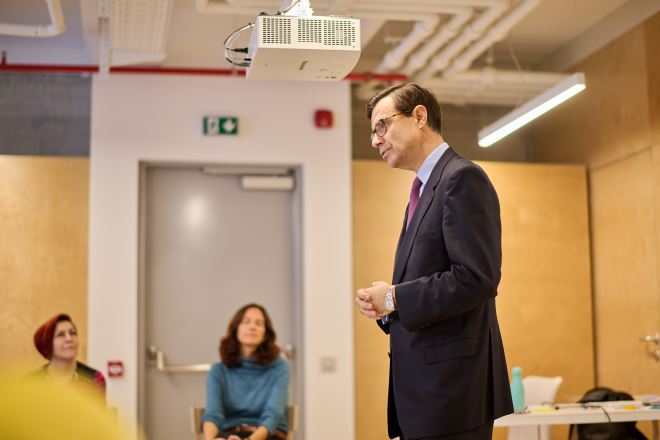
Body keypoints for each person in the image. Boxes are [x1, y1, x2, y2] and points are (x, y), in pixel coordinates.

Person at [355, 83, 513, 440]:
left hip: (452, 394)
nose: (375, 141)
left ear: (419, 117)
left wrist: (394, 297)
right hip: (426, 395)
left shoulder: (461, 177)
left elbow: (477, 278)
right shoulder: (425, 188)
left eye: (382, 126)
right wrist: (388, 305)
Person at [202, 303, 289, 440]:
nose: (252, 327)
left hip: (268, 435)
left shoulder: (280, 368)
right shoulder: (218, 371)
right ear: (236, 328)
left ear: (265, 333)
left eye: (259, 323)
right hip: (230, 434)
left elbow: (273, 415)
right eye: (246, 321)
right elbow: (213, 415)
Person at [32, 313, 106, 399]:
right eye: (61, 334)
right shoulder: (31, 381)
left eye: (73, 333)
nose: (69, 339)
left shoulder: (94, 379)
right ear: (47, 344)